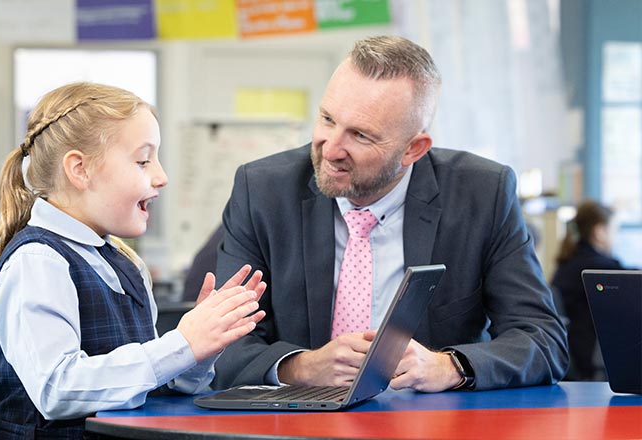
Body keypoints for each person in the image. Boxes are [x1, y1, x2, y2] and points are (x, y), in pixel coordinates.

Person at [213, 35, 568, 393]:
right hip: (300, 423)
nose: (331, 148)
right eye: (327, 119)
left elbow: (544, 340)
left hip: (430, 424)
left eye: (361, 136)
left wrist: (449, 366)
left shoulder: (482, 194)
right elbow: (221, 346)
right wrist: (302, 366)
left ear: (414, 149)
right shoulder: (262, 191)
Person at [0, 82, 266, 438]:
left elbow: (150, 385)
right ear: (80, 170)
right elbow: (57, 389)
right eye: (143, 161)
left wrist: (200, 350)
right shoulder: (37, 262)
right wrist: (181, 344)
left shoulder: (126, 266)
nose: (162, 177)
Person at [551, 200, 625, 381]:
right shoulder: (601, 270)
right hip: (590, 360)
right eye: (615, 230)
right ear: (599, 232)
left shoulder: (568, 262)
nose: (617, 237)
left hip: (571, 356)